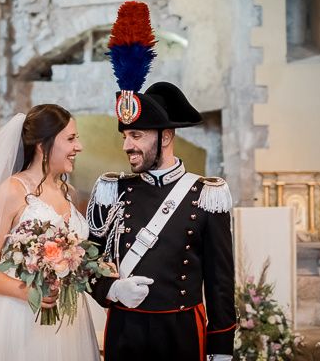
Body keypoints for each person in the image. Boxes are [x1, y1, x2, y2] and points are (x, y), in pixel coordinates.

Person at [0, 104, 101, 361]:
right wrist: (26, 291)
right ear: (42, 145)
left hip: (71, 320)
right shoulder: (12, 191)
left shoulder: (69, 193)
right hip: (22, 318)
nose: (78, 147)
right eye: (70, 139)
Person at [87, 81, 236, 361]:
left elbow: (221, 283)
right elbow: (86, 262)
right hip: (125, 334)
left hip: (181, 336)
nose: (127, 146)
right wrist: (112, 289)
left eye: (136, 135)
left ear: (165, 137)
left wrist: (221, 349)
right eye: (124, 137)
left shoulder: (206, 195)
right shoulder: (112, 191)